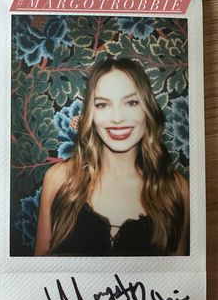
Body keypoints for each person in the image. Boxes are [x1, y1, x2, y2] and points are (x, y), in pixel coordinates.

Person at [34, 58, 189, 257]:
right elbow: (39, 275)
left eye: (131, 102)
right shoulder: (58, 179)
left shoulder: (177, 190)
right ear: (91, 114)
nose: (117, 118)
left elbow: (179, 283)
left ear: (147, 109)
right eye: (102, 105)